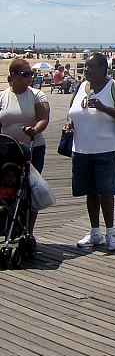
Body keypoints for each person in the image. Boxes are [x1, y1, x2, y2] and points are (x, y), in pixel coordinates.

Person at [64, 52, 115, 252]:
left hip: (105, 148)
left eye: (91, 66)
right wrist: (69, 124)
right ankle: (95, 232)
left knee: (106, 191)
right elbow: (72, 112)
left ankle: (110, 232)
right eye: (85, 66)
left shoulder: (114, 87)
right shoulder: (80, 87)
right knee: (90, 192)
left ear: (103, 69)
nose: (86, 70)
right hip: (81, 149)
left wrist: (103, 108)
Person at [0, 58, 51, 235]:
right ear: (13, 75)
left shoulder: (37, 95)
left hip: (32, 148)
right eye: (25, 74)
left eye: (31, 73)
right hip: (7, 151)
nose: (30, 77)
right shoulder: (3, 96)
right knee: (7, 188)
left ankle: (28, 232)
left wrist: (34, 130)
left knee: (29, 190)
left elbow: (43, 118)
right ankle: (8, 225)